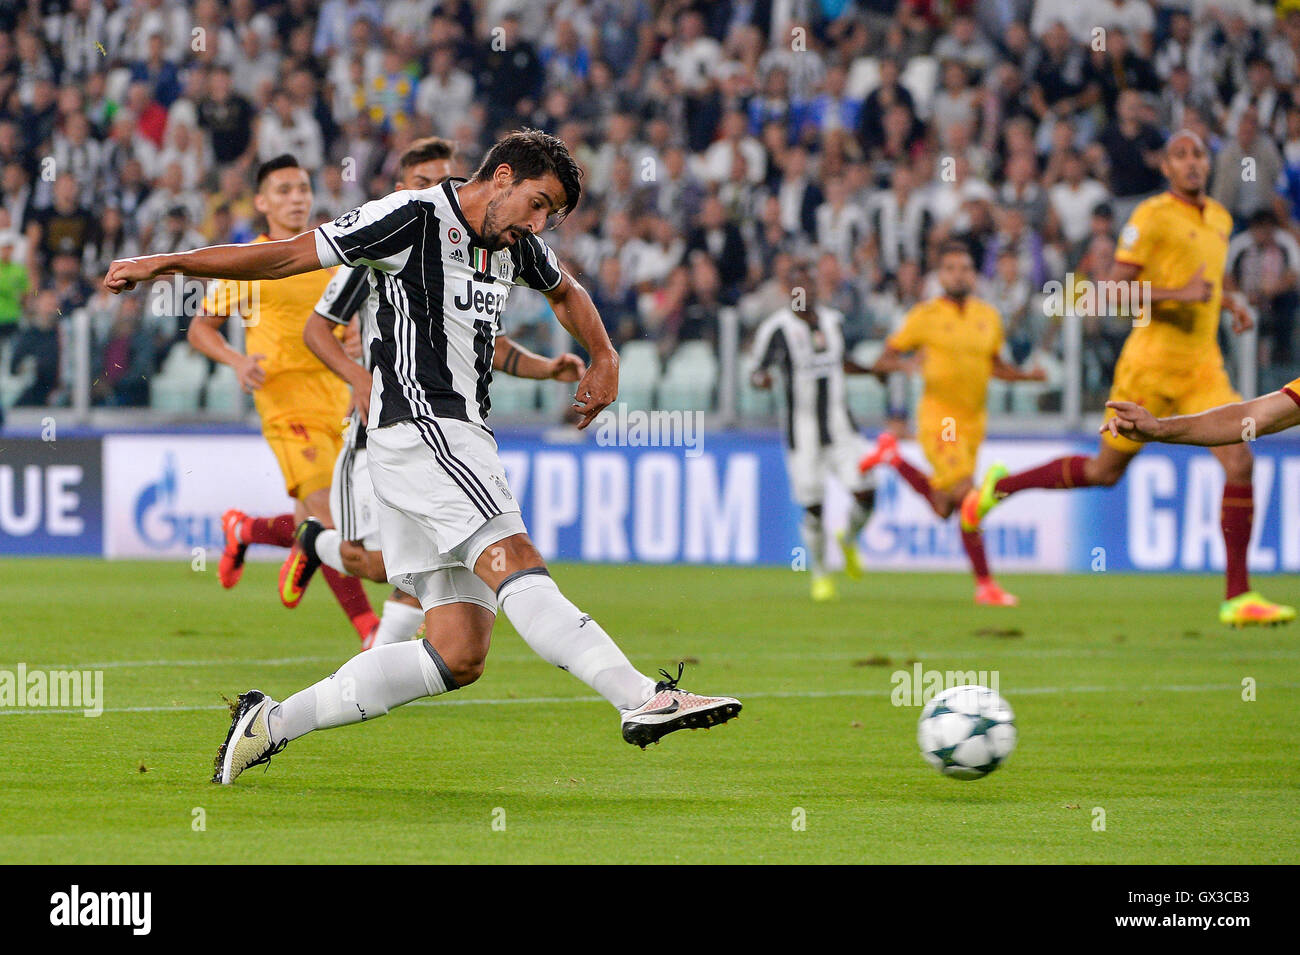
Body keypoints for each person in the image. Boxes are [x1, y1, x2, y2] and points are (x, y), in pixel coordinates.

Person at [103, 129, 741, 783]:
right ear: (501, 177)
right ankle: (640, 696)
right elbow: (286, 256)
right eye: (538, 203)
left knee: (458, 650)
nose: (539, 222)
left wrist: (604, 354)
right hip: (424, 428)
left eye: (551, 215)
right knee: (515, 558)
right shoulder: (408, 218)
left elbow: (567, 292)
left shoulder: (514, 245)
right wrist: (166, 263)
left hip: (442, 438)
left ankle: (271, 721)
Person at [963, 131, 1294, 627]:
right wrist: (1177, 294)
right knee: (1104, 473)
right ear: (1165, 167)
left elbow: (1206, 278)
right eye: (1180, 155)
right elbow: (1110, 294)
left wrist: (1228, 302)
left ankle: (1238, 596)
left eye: (1198, 154)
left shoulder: (1222, 219)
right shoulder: (1149, 217)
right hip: (1149, 364)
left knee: (1240, 459)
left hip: (1203, 365)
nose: (1192, 163)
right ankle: (1001, 487)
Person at [285, 136, 586, 655]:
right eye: (424, 183)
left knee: (415, 572)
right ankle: (313, 540)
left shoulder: (486, 249)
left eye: (445, 177)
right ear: (403, 189)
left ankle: (380, 662)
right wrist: (358, 379)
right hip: (387, 419)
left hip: (450, 422)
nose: (439, 188)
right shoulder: (384, 239)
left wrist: (544, 368)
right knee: (376, 564)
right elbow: (317, 329)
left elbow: (481, 342)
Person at [186, 154, 379, 644]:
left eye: (302, 188)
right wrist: (236, 361)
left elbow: (349, 319)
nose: (296, 198)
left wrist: (353, 339)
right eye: (284, 190)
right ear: (262, 201)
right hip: (283, 401)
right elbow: (200, 328)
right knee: (330, 518)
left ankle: (246, 530)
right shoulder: (247, 262)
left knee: (326, 520)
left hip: (337, 399)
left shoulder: (329, 253)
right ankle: (370, 629)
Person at [861, 241, 1045, 606]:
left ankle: (892, 457)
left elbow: (995, 367)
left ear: (973, 274)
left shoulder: (988, 317)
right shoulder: (924, 315)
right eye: (950, 268)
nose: (957, 274)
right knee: (967, 493)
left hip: (974, 420)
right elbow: (882, 362)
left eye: (963, 267)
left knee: (945, 506)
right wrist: (903, 366)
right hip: (939, 418)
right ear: (940, 275)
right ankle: (985, 585)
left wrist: (1026, 378)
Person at [750, 258, 877, 602]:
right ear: (788, 291)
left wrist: (873, 371)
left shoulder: (833, 322)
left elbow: (841, 361)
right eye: (797, 285)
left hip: (842, 428)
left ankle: (847, 539)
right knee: (815, 507)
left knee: (867, 491)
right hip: (802, 433)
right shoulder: (776, 328)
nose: (804, 291)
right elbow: (756, 371)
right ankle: (821, 572)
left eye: (810, 284)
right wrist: (762, 380)